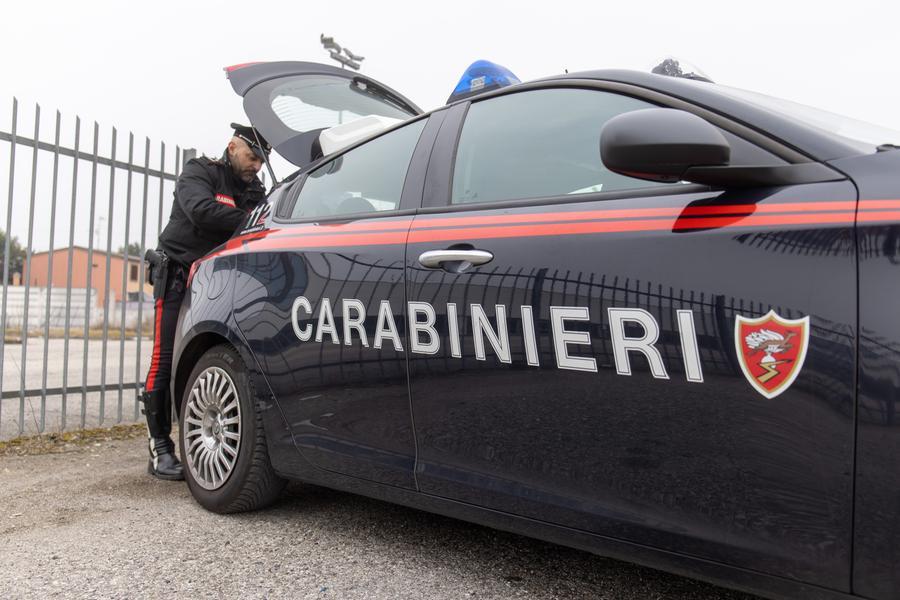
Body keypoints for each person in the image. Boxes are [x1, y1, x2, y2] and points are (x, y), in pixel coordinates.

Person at [141, 123, 270, 480]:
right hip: (178, 273)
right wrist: (250, 219)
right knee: (164, 358)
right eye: (252, 156)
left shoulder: (255, 189)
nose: (257, 166)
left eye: (261, 160)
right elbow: (200, 210)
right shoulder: (200, 171)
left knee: (206, 360)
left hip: (216, 278)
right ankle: (159, 448)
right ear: (232, 147)